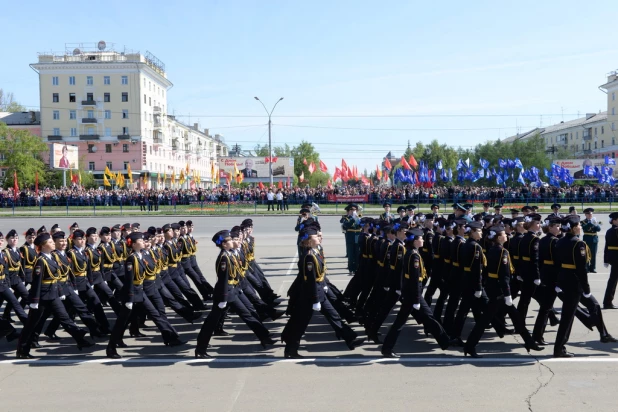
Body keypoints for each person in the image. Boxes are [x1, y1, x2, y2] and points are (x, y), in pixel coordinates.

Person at [463, 225, 543, 358]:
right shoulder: (502, 252)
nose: (506, 235)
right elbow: (504, 276)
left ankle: (529, 342)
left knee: (516, 317)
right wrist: (507, 294)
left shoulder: (493, 249)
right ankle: (470, 346)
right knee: (484, 320)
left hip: (493, 287)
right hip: (499, 291)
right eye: (504, 234)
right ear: (499, 237)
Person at [195, 230, 274, 358]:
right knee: (211, 322)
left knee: (247, 314)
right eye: (230, 240)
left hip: (233, 290)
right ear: (224, 244)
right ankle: (200, 349)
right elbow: (223, 280)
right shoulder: (224, 258)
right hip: (225, 294)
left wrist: (239, 287)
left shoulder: (230, 254)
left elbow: (235, 274)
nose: (232, 241)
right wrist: (223, 299)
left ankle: (265, 338)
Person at [16, 232, 93, 358]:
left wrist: (60, 292)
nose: (53, 244)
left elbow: (56, 278)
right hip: (41, 297)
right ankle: (22, 350)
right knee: (32, 324)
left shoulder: (51, 257)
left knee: (65, 318)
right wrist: (34, 300)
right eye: (51, 242)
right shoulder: (41, 261)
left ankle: (80, 340)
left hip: (53, 294)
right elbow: (37, 282)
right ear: (44, 245)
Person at [381, 228, 451, 358]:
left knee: (427, 317)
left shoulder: (412, 253)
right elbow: (413, 279)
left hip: (411, 293)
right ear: (415, 241)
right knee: (402, 322)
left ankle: (445, 341)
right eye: (421, 238)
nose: (423, 240)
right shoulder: (413, 255)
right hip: (412, 295)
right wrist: (417, 299)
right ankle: (387, 348)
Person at [554, 215, 616, 358]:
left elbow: (557, 265)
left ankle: (603, 333)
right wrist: (586, 288)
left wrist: (558, 283)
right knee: (567, 317)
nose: (581, 227)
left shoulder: (560, 241)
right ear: (574, 228)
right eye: (579, 225)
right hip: (575, 283)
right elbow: (581, 269)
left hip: (565, 281)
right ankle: (559, 348)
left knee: (594, 305)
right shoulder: (578, 244)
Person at [603, 212, 618, 309]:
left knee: (612, 280)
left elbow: (606, 247)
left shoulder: (609, 231)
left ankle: (607, 301)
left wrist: (606, 259)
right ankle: (607, 302)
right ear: (614, 220)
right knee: (613, 280)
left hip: (613, 257)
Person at [581, 208, 601, 273]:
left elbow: (598, 229)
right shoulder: (583, 221)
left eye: (591, 214)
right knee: (586, 253)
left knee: (593, 254)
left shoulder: (594, 221)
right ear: (585, 214)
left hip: (594, 239)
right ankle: (586, 267)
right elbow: (584, 228)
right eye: (588, 214)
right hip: (587, 238)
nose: (590, 215)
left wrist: (595, 223)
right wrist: (590, 223)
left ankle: (593, 268)